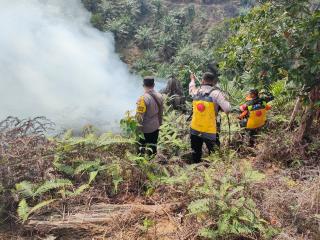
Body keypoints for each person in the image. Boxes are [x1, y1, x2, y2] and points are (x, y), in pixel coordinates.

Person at [189, 71, 231, 163]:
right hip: (210, 129)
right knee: (214, 154)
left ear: (203, 80)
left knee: (195, 152)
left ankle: (196, 170)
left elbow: (191, 87)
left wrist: (192, 79)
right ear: (213, 82)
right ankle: (213, 172)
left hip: (195, 128)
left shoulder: (196, 91)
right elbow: (227, 109)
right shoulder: (217, 93)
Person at [136, 76, 164, 155]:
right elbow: (160, 113)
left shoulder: (143, 99)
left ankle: (141, 164)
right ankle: (152, 163)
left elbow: (139, 117)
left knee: (141, 149)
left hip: (145, 130)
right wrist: (159, 124)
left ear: (143, 85)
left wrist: (137, 130)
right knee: (153, 147)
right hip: (155, 127)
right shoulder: (160, 96)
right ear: (154, 84)